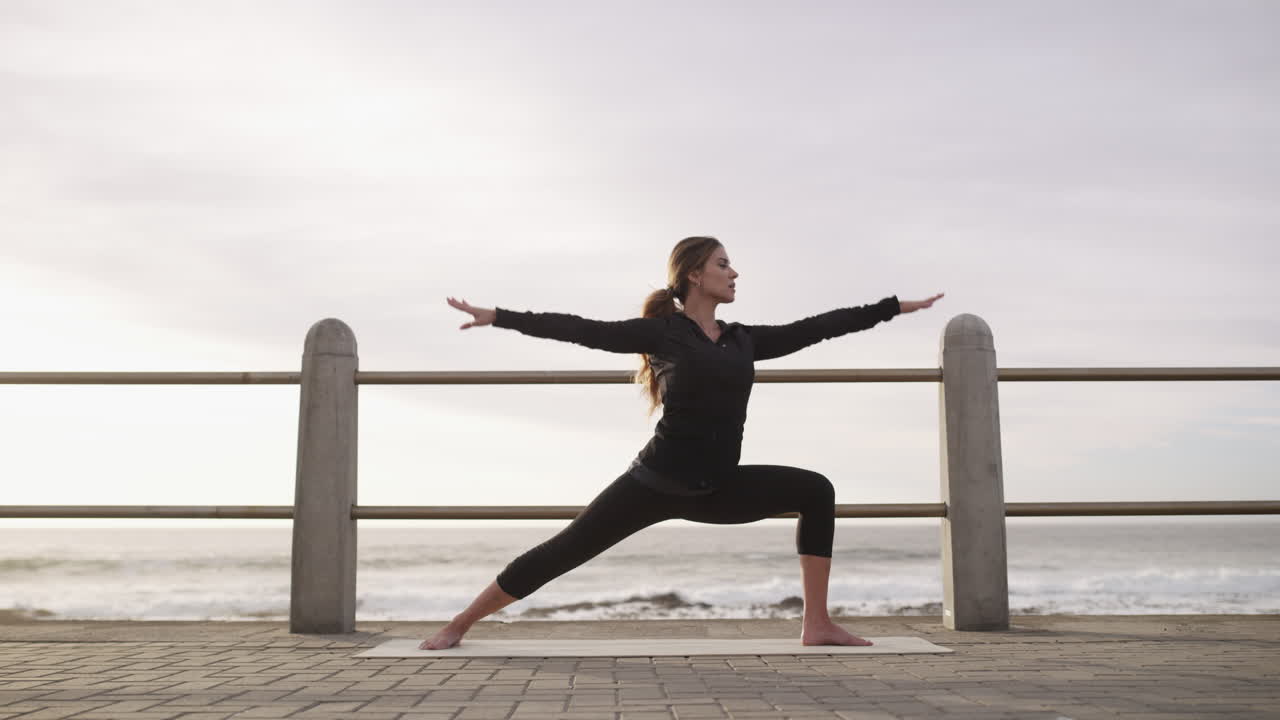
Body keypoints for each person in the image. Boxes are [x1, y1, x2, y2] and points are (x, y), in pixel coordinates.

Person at [422, 236, 943, 650]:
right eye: (723, 264)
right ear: (695, 275)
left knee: (815, 490)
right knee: (565, 551)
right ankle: (460, 623)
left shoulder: (745, 340)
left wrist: (891, 307)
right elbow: (581, 329)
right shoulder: (664, 335)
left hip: (718, 487)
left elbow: (819, 327)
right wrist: (500, 316)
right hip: (653, 483)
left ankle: (818, 623)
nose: (734, 273)